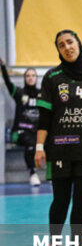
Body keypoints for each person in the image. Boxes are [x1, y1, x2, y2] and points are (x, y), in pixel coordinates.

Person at [35, 30, 82, 246]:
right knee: (61, 199)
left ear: (79, 43)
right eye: (61, 45)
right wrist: (39, 147)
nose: (67, 47)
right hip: (61, 148)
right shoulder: (52, 77)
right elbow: (45, 117)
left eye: (70, 42)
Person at [1, 57, 41, 186]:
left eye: (33, 75)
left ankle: (52, 176)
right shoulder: (19, 93)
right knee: (31, 142)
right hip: (20, 132)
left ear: (36, 78)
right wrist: (3, 67)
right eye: (28, 76)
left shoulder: (42, 94)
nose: (30, 78)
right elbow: (8, 83)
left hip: (36, 132)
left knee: (52, 142)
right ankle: (32, 173)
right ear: (25, 78)